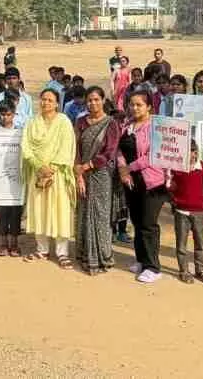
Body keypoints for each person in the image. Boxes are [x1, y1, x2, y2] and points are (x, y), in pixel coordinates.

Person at [118, 90, 170, 284]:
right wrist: (122, 169)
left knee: (149, 224)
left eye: (139, 104)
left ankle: (153, 267)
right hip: (131, 182)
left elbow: (153, 154)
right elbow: (119, 149)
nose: (134, 108)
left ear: (149, 107)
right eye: (131, 104)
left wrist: (129, 168)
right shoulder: (126, 125)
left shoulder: (156, 127)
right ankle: (141, 259)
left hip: (152, 182)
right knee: (137, 222)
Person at [21, 89, 76, 268]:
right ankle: (42, 249)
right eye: (43, 99)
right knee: (39, 209)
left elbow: (67, 146)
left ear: (57, 103)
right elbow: (26, 146)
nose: (45, 103)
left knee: (59, 210)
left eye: (50, 100)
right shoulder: (32, 122)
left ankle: (62, 252)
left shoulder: (63, 121)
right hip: (37, 173)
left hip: (57, 174)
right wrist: (38, 166)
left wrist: (51, 169)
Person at [74, 87, 121, 274]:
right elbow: (75, 149)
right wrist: (78, 173)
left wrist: (88, 165)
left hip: (101, 174)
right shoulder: (80, 122)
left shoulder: (111, 123)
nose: (92, 103)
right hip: (82, 174)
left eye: (96, 99)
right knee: (83, 212)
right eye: (89, 100)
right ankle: (85, 254)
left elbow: (110, 152)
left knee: (100, 215)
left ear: (103, 100)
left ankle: (102, 256)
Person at [169, 140, 203, 284]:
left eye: (191, 152)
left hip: (199, 212)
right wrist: (169, 185)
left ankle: (200, 270)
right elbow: (172, 188)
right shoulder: (176, 167)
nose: (188, 155)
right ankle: (183, 271)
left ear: (195, 153)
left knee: (200, 243)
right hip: (181, 212)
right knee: (181, 244)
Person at [0, 98, 23, 257]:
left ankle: (15, 243)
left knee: (16, 211)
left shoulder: (20, 132)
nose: (5, 117)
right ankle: (3, 243)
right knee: (2, 211)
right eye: (2, 114)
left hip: (17, 178)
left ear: (14, 114)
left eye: (8, 114)